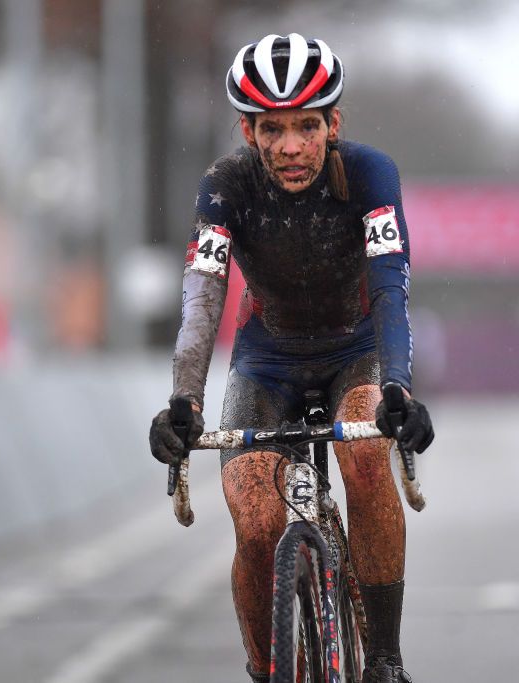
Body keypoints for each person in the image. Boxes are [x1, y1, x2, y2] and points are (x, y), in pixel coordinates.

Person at [149, 33, 434, 683]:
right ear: (246, 130)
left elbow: (390, 285)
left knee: (364, 457)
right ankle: (268, 668)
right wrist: (184, 401)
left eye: (307, 126)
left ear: (332, 123)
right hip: (268, 359)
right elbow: (202, 295)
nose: (290, 147)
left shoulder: (370, 175)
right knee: (255, 521)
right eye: (271, 129)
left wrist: (397, 387)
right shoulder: (224, 187)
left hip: (356, 351)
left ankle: (384, 659)